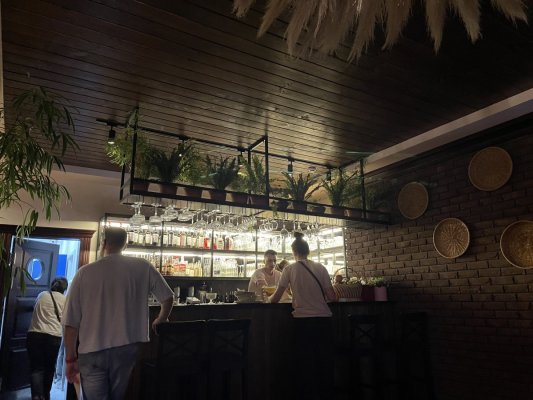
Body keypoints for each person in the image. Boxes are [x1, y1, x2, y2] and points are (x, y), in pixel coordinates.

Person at [63, 227, 174, 400]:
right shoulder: (143, 267)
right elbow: (168, 297)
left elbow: (71, 322)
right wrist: (162, 318)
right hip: (126, 348)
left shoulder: (84, 273)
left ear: (103, 243)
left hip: (92, 350)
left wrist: (70, 359)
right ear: (125, 245)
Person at [268, 232, 337, 400]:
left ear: (294, 252)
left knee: (305, 365)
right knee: (324, 364)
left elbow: (275, 298)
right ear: (308, 251)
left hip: (303, 324)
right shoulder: (321, 267)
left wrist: (265, 299)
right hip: (324, 321)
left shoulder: (289, 269)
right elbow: (332, 297)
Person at [27, 277, 68, 400]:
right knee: (49, 369)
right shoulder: (65, 300)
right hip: (53, 337)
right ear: (64, 289)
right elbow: (66, 320)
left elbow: (34, 309)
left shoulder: (42, 295)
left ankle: (36, 396)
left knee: (36, 369)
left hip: (35, 335)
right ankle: (46, 396)